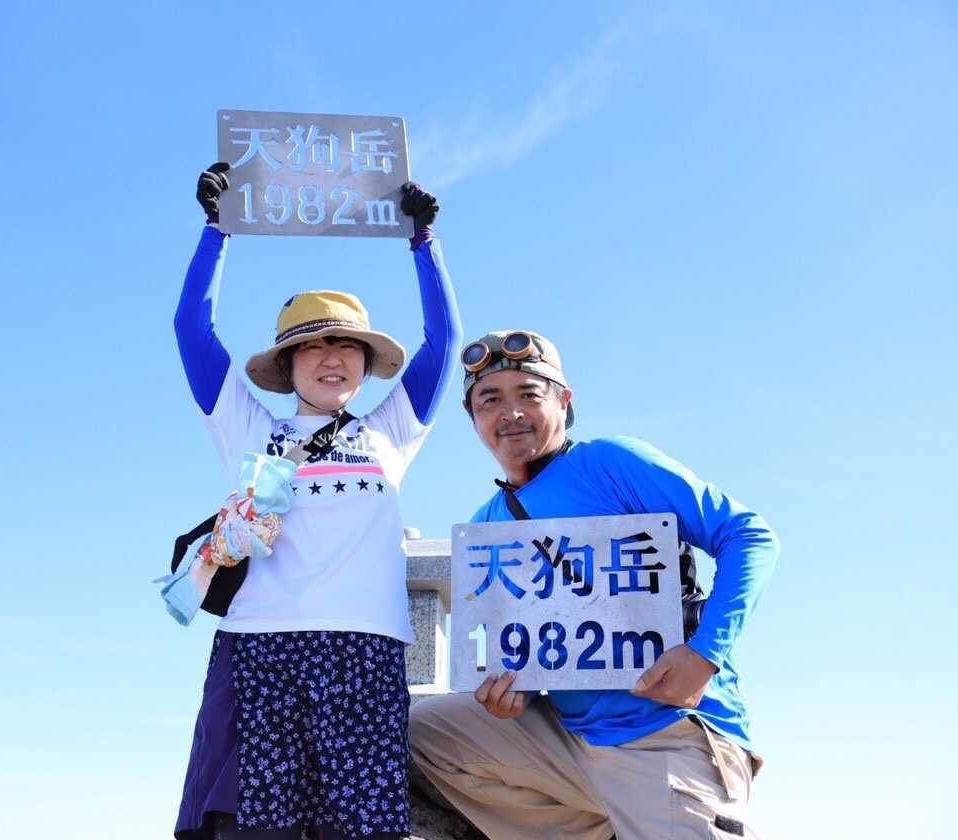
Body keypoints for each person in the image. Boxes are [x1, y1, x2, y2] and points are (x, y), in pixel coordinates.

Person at [172, 162, 462, 840]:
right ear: (286, 363)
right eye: (312, 346)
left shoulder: (391, 430)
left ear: (366, 362)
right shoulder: (250, 429)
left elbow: (444, 342)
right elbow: (191, 329)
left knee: (362, 830)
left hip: (365, 650)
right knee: (253, 830)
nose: (331, 358)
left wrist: (424, 243)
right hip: (259, 649)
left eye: (347, 345)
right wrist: (216, 230)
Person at [409, 330, 778, 840]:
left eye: (529, 394)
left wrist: (704, 654)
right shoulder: (486, 526)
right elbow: (523, 650)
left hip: (664, 730)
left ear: (564, 401)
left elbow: (749, 535)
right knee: (419, 732)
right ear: (472, 417)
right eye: (489, 400)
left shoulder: (609, 463)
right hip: (564, 741)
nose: (510, 413)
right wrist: (513, 690)